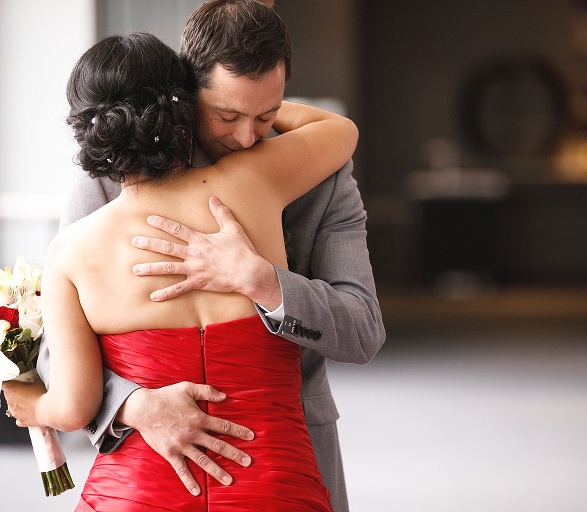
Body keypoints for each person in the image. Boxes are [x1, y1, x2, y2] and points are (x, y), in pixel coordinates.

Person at [17, 2, 383, 511]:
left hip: (290, 452)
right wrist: (134, 405)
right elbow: (60, 353)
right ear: (186, 94)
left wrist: (264, 282)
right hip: (152, 459)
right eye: (228, 115)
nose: (247, 137)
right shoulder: (102, 178)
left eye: (267, 114)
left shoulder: (321, 172)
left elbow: (363, 330)